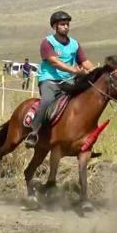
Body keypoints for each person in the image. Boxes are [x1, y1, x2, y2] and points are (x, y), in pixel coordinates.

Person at [24, 11, 95, 148]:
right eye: (62, 24)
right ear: (54, 26)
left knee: (83, 102)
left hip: (69, 82)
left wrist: (99, 72)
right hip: (49, 80)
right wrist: (73, 70)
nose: (66, 27)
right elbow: (54, 62)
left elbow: (85, 62)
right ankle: (34, 132)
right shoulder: (47, 42)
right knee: (47, 101)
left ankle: (82, 136)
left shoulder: (74, 44)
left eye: (67, 24)